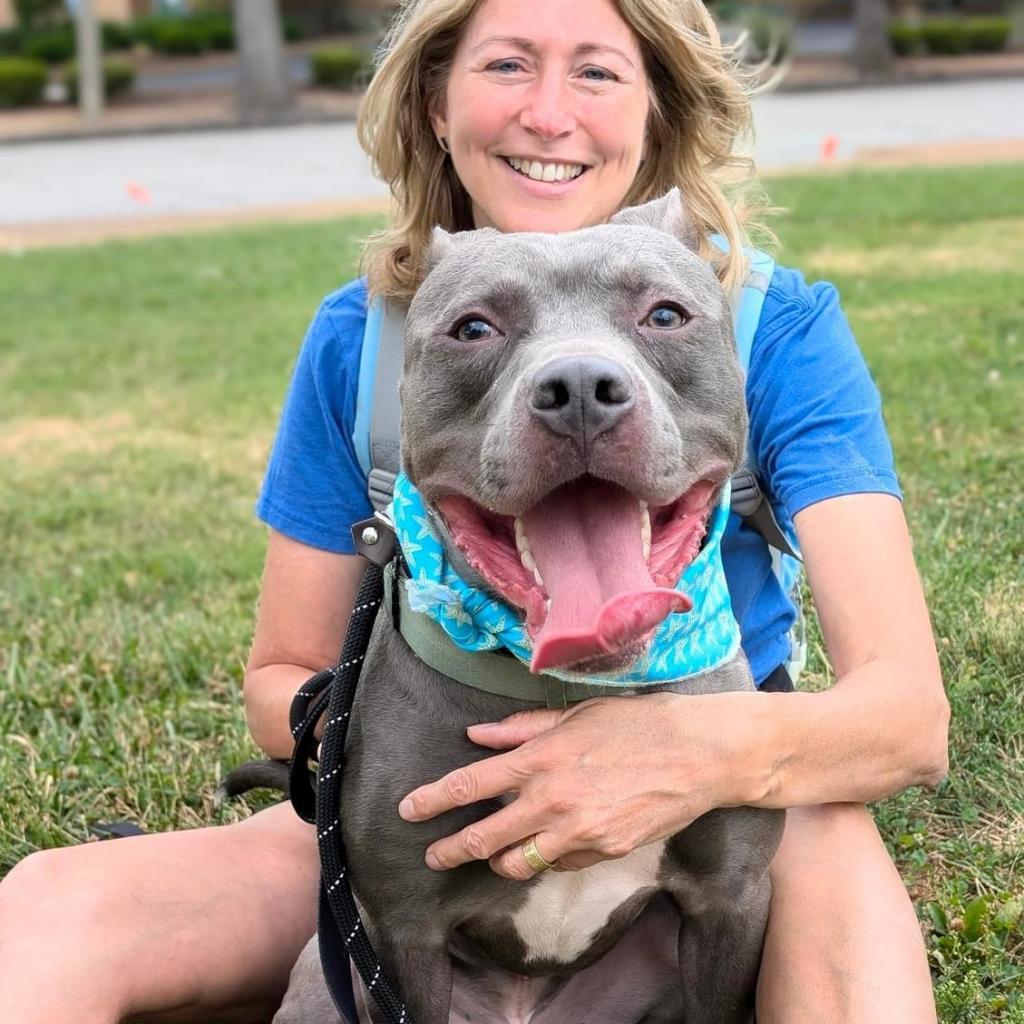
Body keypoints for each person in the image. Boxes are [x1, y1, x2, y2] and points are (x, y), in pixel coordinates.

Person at [0, 0, 949, 1021]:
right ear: (436, 107)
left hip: (741, 767)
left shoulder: (773, 326)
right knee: (50, 913)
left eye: (595, 72)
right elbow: (282, 676)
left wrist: (674, 752)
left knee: (854, 967)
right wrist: (427, 749)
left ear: (654, 112)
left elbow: (903, 717)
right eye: (507, 65)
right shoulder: (362, 343)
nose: (548, 114)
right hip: (431, 782)